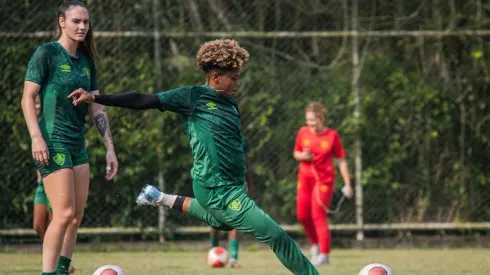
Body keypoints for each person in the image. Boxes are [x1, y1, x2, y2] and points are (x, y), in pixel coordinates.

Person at [68, 39, 319, 275]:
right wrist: (96, 97)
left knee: (223, 223)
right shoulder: (193, 97)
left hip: (230, 188)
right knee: (276, 236)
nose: (237, 83)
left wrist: (240, 178)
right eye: (233, 78)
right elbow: (143, 100)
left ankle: (161, 197)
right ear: (215, 77)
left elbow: (231, 147)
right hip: (215, 188)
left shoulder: (231, 105)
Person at [21, 1, 118, 274]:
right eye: (76, 21)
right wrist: (36, 137)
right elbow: (28, 98)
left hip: (77, 144)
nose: (82, 26)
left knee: (76, 216)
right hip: (52, 142)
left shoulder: (87, 61)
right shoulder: (47, 53)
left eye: (86, 22)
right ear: (61, 22)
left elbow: (97, 106)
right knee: (63, 213)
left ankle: (63, 270)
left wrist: (110, 148)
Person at [293, 102, 353, 266]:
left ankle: (324, 255)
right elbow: (296, 153)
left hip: (324, 181)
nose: (310, 124)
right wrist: (302, 156)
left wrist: (347, 184)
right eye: (308, 120)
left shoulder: (332, 136)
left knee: (318, 215)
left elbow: (341, 160)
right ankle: (315, 245)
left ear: (320, 118)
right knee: (302, 215)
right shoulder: (303, 132)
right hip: (305, 178)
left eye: (313, 120)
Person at [209, 136, 253, 268]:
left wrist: (249, 188)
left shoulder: (241, 141)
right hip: (217, 187)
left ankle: (233, 258)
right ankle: (213, 250)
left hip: (235, 188)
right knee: (215, 221)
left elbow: (247, 167)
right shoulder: (213, 138)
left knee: (233, 221)